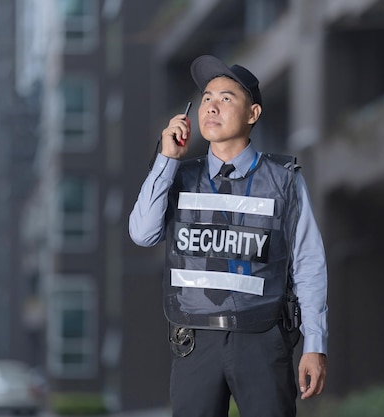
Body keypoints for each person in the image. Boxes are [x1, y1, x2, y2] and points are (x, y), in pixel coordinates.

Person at [129, 55, 328, 417]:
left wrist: (315, 343)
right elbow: (142, 234)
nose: (211, 107)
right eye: (206, 98)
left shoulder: (284, 179)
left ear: (252, 114)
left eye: (226, 98)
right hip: (195, 339)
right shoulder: (176, 174)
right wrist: (166, 160)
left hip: (264, 337)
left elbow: (309, 263)